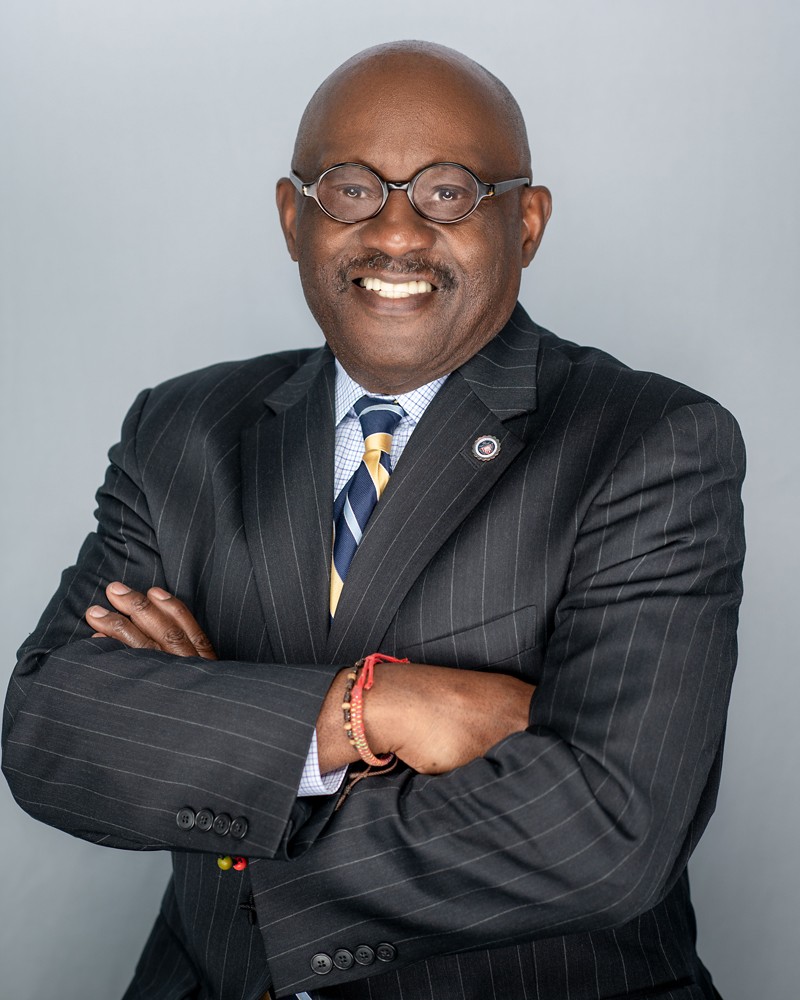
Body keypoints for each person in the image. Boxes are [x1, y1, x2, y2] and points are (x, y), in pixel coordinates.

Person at [2, 40, 744, 1000]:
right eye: (351, 190)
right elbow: (51, 734)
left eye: (449, 192)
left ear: (525, 223)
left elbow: (606, 833)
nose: (396, 232)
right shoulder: (182, 429)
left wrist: (219, 757)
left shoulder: (649, 442)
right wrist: (373, 708)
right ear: (293, 217)